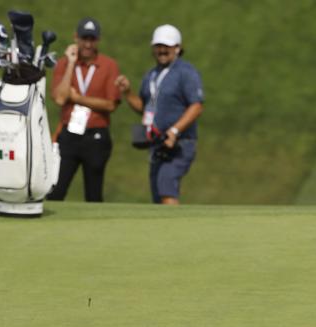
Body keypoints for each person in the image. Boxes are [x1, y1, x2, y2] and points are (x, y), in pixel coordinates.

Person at [115, 24, 204, 205]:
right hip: (158, 144)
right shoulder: (152, 75)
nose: (162, 50)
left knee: (166, 186)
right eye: (158, 46)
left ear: (177, 48)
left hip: (179, 143)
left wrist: (174, 131)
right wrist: (128, 93)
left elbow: (196, 106)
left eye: (167, 46)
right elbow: (145, 107)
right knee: (157, 194)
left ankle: (176, 223)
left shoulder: (185, 72)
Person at [47, 18, 122, 202]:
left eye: (92, 39)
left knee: (93, 194)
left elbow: (110, 104)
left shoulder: (108, 65)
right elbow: (60, 98)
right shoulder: (64, 63)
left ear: (98, 40)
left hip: (96, 136)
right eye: (84, 39)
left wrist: (78, 99)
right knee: (56, 190)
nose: (88, 44)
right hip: (69, 134)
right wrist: (71, 64)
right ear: (76, 38)